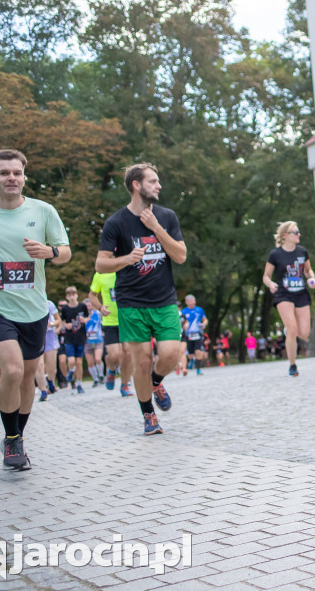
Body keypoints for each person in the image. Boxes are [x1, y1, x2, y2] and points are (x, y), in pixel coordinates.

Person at [0, 149, 71, 469]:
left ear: (24, 177)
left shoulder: (44, 210)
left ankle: (16, 439)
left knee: (27, 381)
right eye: (4, 172)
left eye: (17, 172)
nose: (11, 177)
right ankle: (12, 441)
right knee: (12, 370)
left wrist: (49, 251)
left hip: (34, 309)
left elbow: (64, 252)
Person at [96, 163, 187, 436]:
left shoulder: (167, 216)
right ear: (136, 185)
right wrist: (127, 258)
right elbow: (101, 264)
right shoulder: (116, 222)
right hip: (131, 302)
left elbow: (180, 256)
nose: (158, 186)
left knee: (171, 353)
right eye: (153, 181)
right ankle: (148, 415)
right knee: (142, 360)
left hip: (164, 300)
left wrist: (156, 228)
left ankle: (156, 382)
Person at [262, 221, 315, 376]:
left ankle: (289, 329)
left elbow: (308, 270)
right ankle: (292, 365)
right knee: (293, 329)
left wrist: (311, 278)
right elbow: (266, 276)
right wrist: (271, 284)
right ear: (285, 235)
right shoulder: (275, 254)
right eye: (296, 232)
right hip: (283, 294)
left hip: (301, 293)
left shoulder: (302, 252)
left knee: (304, 333)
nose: (299, 234)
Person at [89, 271, 132, 396]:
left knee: (128, 353)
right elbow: (92, 295)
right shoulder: (100, 274)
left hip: (127, 320)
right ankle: (111, 370)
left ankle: (124, 385)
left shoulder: (126, 270)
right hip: (110, 321)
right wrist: (100, 307)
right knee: (115, 355)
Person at [59, 286, 89, 393]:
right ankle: (71, 371)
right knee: (71, 360)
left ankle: (79, 384)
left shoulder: (82, 306)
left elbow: (87, 317)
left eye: (73, 295)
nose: (72, 297)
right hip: (69, 337)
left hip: (80, 336)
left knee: (79, 362)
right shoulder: (65, 309)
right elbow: (62, 321)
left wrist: (84, 320)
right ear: (67, 297)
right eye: (69, 295)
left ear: (76, 295)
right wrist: (66, 325)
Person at [180, 294, 208, 375]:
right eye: (191, 301)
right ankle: (191, 361)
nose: (193, 302)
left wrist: (204, 324)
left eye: (194, 300)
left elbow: (205, 319)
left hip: (198, 333)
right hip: (187, 335)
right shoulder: (183, 312)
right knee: (190, 353)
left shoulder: (199, 310)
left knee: (198, 351)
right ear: (186, 302)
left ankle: (198, 369)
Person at [85, 301, 105, 385]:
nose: (88, 307)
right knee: (90, 362)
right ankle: (95, 378)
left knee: (98, 358)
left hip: (98, 339)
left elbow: (103, 322)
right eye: (86, 306)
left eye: (89, 305)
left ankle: (101, 375)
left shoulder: (97, 313)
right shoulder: (82, 316)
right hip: (87, 341)